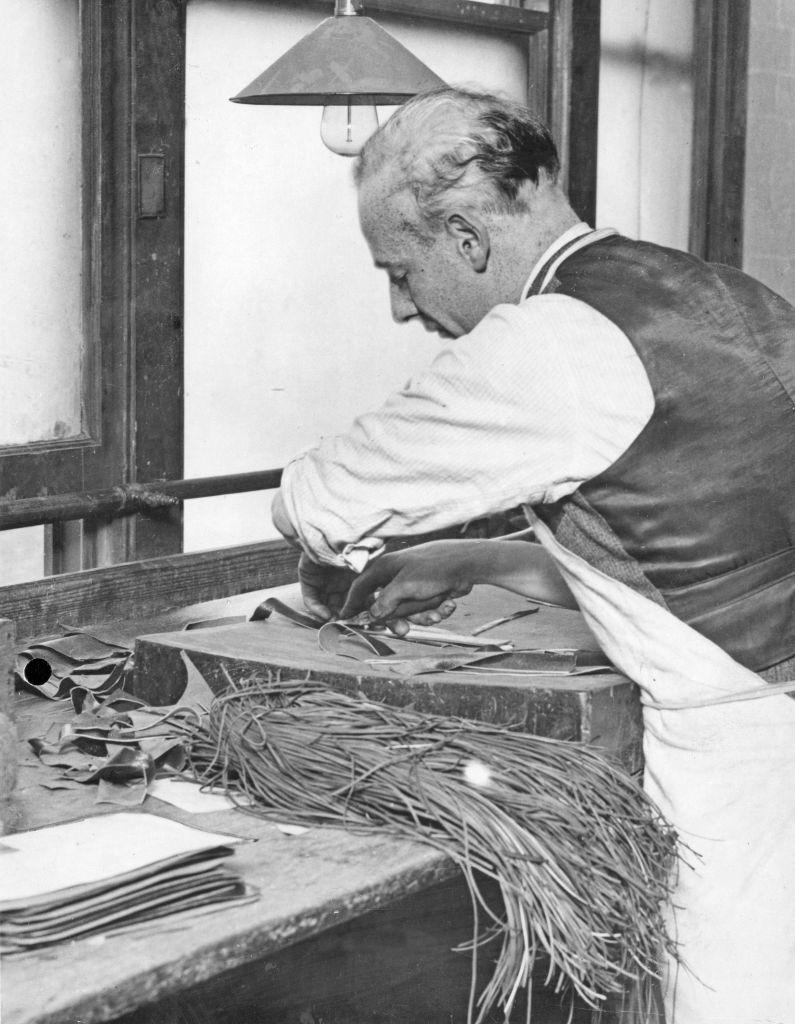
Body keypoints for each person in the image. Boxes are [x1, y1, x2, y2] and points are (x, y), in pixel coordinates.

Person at [271, 88, 795, 1022]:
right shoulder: (713, 290)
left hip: (748, 757)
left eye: (399, 270)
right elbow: (694, 541)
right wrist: (476, 561)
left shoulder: (548, 343)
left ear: (466, 239)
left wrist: (323, 529)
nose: (400, 307)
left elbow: (318, 503)